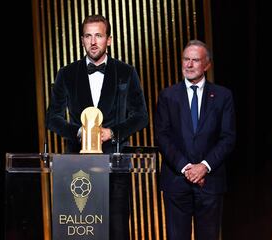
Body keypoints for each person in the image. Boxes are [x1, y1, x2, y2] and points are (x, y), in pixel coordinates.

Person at [46, 14, 148, 240]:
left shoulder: (126, 72)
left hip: (115, 166)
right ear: (82, 40)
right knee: (81, 233)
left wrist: (112, 133)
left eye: (99, 36)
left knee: (117, 231)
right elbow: (52, 118)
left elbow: (141, 117)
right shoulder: (67, 73)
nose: (93, 42)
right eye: (88, 36)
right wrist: (80, 132)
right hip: (76, 168)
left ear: (109, 40)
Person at [155, 40, 236, 240]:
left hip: (210, 181)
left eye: (195, 60)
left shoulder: (223, 96)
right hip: (176, 181)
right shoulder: (168, 95)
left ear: (207, 65)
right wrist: (185, 167)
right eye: (186, 60)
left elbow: (228, 137)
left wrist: (204, 166)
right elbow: (162, 136)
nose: (189, 65)